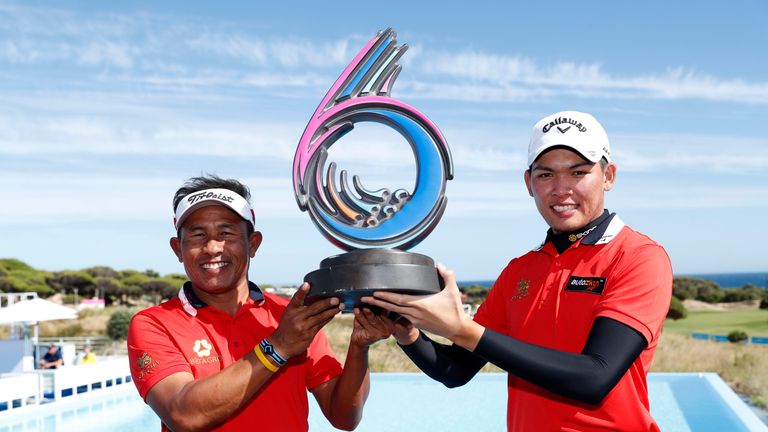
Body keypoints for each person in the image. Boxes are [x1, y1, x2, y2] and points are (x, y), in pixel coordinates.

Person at [363, 111, 673, 431]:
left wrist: (460, 329)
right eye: (546, 175)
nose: (561, 189)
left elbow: (594, 377)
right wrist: (407, 332)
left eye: (578, 172)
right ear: (529, 183)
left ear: (608, 176)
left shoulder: (639, 257)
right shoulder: (519, 271)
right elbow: (456, 370)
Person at [127, 175, 391, 432]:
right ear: (178, 249)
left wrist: (359, 348)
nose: (213, 248)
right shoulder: (154, 323)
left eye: (227, 233)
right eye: (197, 235)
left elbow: (344, 417)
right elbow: (183, 415)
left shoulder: (290, 316)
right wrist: (279, 346)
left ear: (253, 244)